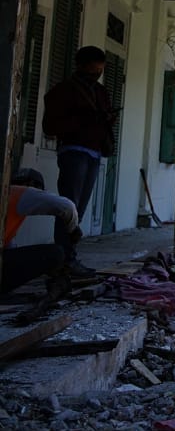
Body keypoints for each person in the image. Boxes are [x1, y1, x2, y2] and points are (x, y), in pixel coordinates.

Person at [42, 45, 115, 275]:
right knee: (68, 207)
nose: (96, 76)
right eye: (92, 72)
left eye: (99, 72)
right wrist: (82, 120)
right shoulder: (64, 91)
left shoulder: (100, 93)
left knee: (79, 209)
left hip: (94, 151)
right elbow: (50, 126)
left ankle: (68, 256)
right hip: (73, 150)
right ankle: (62, 259)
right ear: (81, 67)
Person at [2, 168, 80, 295]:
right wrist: (73, 230)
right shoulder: (21, 192)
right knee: (55, 253)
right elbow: (67, 207)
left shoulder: (9, 205)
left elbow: (9, 249)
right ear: (33, 185)